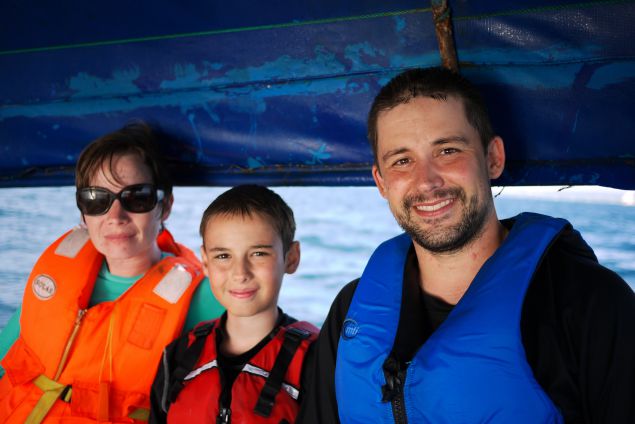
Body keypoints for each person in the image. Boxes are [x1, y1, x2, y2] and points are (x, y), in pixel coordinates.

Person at [297, 67, 635, 423]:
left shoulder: (590, 305)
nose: (426, 181)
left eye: (447, 150)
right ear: (381, 182)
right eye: (402, 161)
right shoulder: (351, 313)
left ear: (493, 158)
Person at [0, 122, 224, 423]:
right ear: (82, 211)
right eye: (96, 199)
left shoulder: (205, 299)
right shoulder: (55, 277)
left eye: (137, 197)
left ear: (165, 205)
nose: (115, 216)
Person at [149, 184, 318, 423]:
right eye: (223, 256)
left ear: (291, 258)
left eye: (258, 253)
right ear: (205, 262)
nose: (240, 273)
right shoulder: (178, 356)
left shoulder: (316, 361)